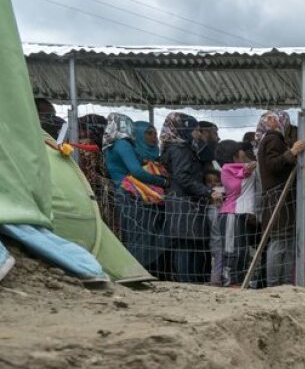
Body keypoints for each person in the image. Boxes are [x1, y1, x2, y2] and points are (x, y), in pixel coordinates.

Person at [160, 112, 222, 282]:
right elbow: (183, 177)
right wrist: (207, 192)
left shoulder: (184, 147)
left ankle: (192, 281)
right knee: (185, 247)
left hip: (187, 203)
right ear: (183, 129)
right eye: (194, 130)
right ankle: (187, 283)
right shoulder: (180, 149)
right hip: (184, 204)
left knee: (190, 245)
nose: (197, 134)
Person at [104, 114, 170, 272]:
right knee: (141, 237)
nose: (132, 130)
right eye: (129, 126)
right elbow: (136, 172)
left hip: (127, 194)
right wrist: (164, 182)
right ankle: (137, 272)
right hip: (133, 195)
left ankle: (134, 271)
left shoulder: (110, 145)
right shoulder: (123, 144)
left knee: (135, 236)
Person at [256, 110, 305, 287]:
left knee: (285, 242)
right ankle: (274, 284)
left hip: (281, 199)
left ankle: (284, 283)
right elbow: (272, 165)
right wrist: (291, 152)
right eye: (275, 118)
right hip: (278, 200)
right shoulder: (272, 138)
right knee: (279, 242)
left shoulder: (269, 139)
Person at [218, 141, 258, 286]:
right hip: (232, 213)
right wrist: (245, 171)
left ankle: (240, 279)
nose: (243, 152)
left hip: (242, 214)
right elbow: (235, 186)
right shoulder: (226, 169)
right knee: (231, 248)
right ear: (234, 153)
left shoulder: (246, 165)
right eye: (240, 150)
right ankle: (230, 280)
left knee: (243, 249)